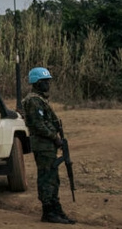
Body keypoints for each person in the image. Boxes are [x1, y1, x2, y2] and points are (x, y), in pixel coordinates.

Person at [22, 67, 75, 224]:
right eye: (45, 81)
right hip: (42, 144)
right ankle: (48, 211)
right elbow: (38, 125)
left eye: (48, 81)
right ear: (37, 83)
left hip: (47, 145)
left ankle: (55, 208)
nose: (48, 84)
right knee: (46, 177)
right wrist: (55, 137)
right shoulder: (33, 101)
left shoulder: (40, 100)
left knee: (53, 177)